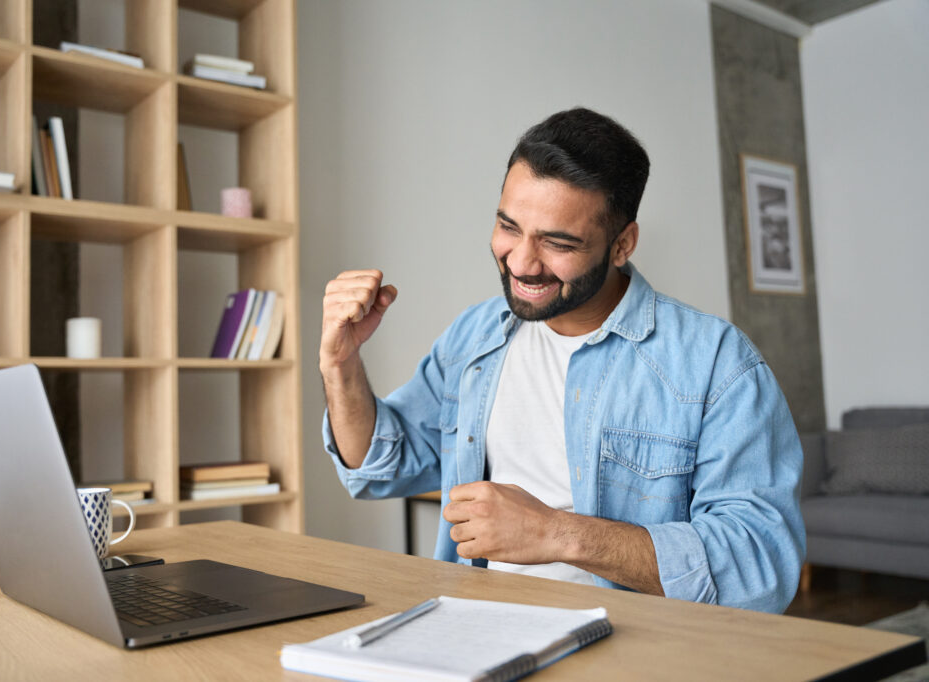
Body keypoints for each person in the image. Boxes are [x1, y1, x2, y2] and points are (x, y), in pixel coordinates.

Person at [319, 107, 805, 613]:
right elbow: (381, 467)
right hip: (476, 624)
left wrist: (556, 533)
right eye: (510, 227)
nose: (522, 263)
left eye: (557, 243)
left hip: (638, 650)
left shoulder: (717, 364)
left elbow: (759, 565)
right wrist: (341, 365)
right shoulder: (475, 334)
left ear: (622, 245)